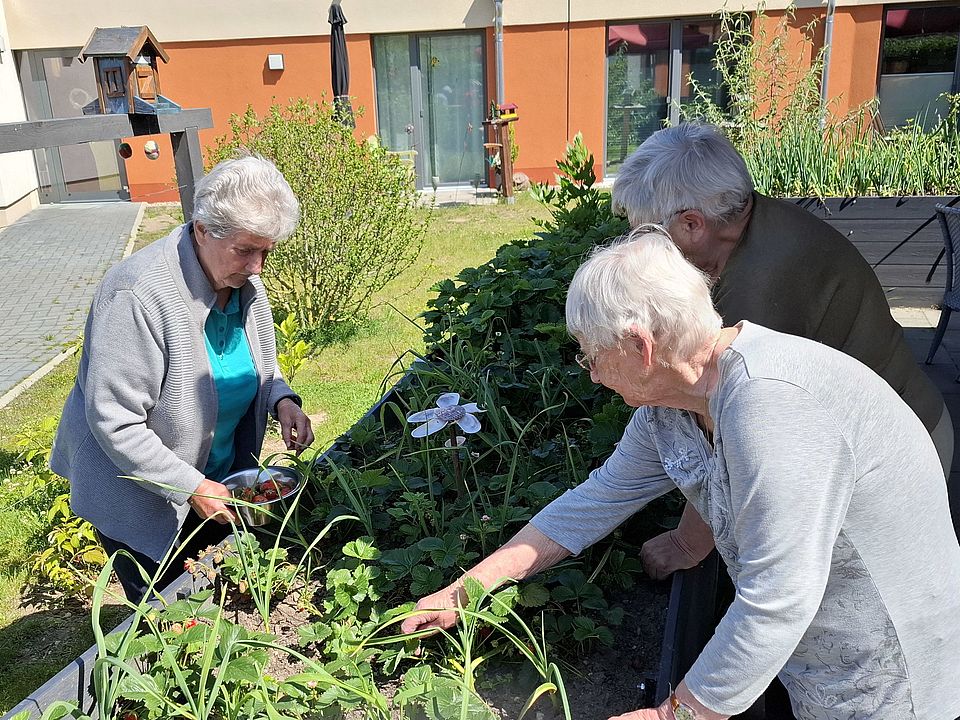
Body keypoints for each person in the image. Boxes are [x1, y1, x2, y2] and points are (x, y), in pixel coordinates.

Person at [401, 228, 960, 720]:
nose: (591, 375)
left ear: (641, 347)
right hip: (818, 655)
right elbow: (597, 499)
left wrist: (675, 715)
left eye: (590, 356)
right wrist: (466, 589)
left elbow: (779, 598)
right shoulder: (672, 409)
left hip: (891, 665)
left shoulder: (774, 404)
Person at [610, 122, 954, 580]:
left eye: (652, 235)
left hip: (896, 461)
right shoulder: (750, 224)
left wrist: (687, 542)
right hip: (902, 421)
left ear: (693, 223)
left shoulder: (759, 289)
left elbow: (733, 436)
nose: (646, 250)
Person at [50, 154, 314, 602]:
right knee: (166, 617)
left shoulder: (242, 282)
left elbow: (256, 361)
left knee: (215, 596)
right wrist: (190, 486)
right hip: (141, 495)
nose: (258, 267)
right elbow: (115, 421)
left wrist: (281, 398)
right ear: (202, 229)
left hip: (214, 484)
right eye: (246, 250)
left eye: (266, 251)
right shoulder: (137, 294)